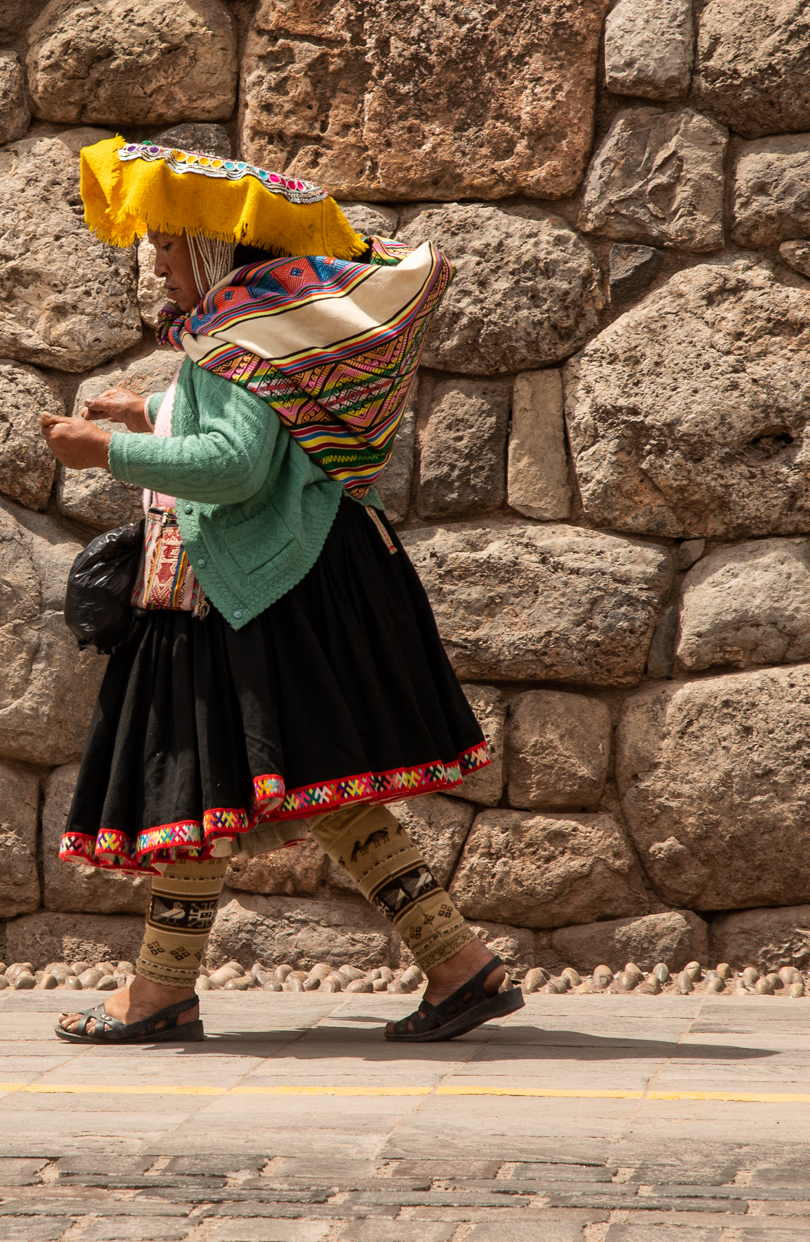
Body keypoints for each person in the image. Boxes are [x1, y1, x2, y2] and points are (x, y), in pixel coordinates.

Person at [36, 138, 521, 1046]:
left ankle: (162, 992)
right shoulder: (267, 324)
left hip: (257, 593)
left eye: (173, 248)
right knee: (265, 782)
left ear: (216, 251)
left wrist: (106, 453)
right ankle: (455, 965)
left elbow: (235, 462)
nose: (160, 265)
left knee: (207, 776)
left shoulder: (238, 337)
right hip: (278, 582)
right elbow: (263, 427)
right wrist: (145, 410)